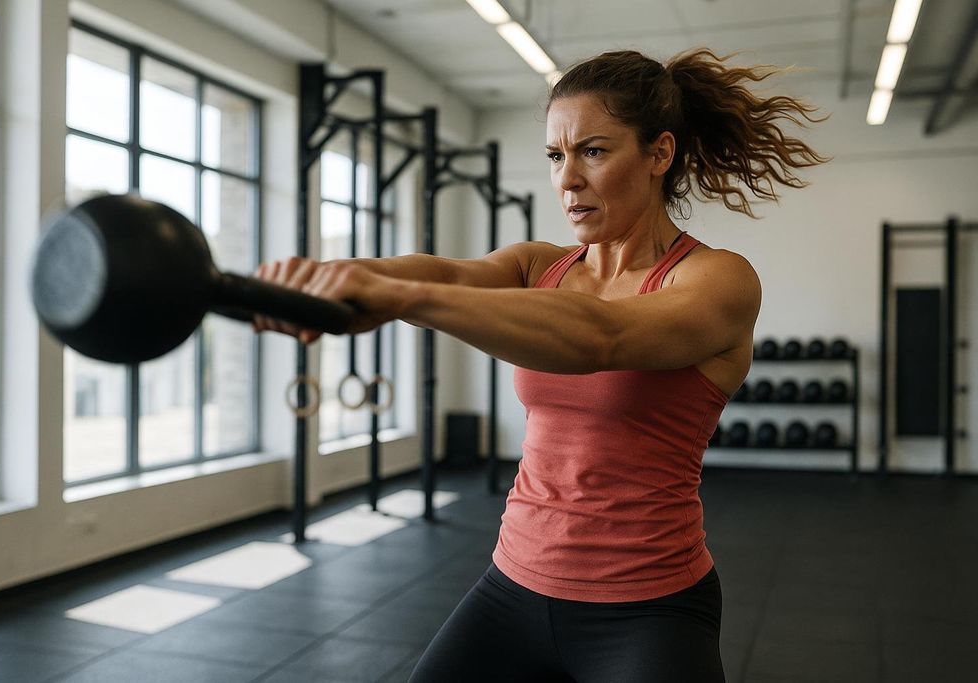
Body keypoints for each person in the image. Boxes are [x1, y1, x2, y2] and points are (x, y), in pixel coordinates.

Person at [253, 48, 828, 682]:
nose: (568, 180)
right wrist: (330, 280)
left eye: (594, 151)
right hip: (512, 585)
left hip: (647, 607)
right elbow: (445, 272)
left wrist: (399, 301)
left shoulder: (718, 280)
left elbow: (600, 339)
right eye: (557, 156)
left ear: (659, 154)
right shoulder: (538, 267)